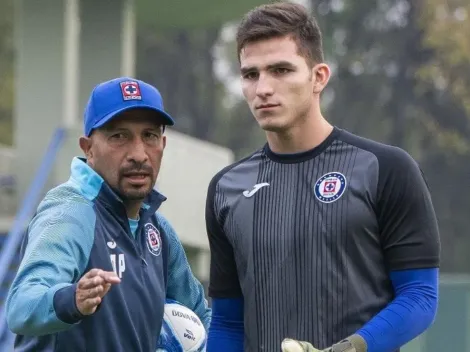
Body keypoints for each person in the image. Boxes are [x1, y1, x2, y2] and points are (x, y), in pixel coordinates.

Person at [205, 3, 440, 352]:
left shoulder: (385, 168)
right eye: (251, 75)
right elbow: (227, 321)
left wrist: (350, 348)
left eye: (281, 70)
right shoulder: (226, 189)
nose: (263, 88)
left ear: (319, 77)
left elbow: (420, 296)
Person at [6, 77, 211, 351]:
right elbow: (22, 305)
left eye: (149, 136)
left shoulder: (158, 230)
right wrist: (73, 299)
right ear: (88, 148)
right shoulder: (70, 212)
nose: (139, 154)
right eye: (119, 136)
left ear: (163, 144)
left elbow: (203, 317)